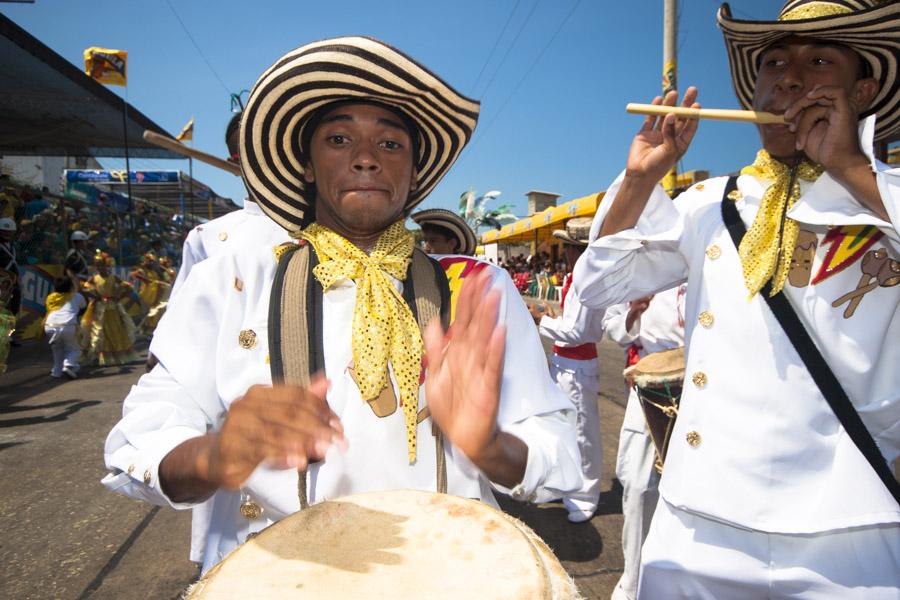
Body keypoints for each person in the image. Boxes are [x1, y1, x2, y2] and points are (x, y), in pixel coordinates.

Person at [103, 37, 581, 575]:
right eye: (338, 138)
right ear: (306, 165)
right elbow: (141, 439)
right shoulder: (234, 279)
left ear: (416, 173)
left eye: (391, 145)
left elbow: (558, 452)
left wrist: (489, 444)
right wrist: (217, 454)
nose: (366, 158)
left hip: (448, 575)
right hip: (278, 575)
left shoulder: (478, 288)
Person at [574, 1, 900, 596]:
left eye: (820, 59)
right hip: (696, 524)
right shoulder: (713, 202)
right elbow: (599, 286)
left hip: (853, 530)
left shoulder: (888, 200)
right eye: (775, 63)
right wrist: (643, 178)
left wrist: (851, 169)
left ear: (866, 88)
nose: (790, 79)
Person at [168, 111, 289, 569]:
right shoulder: (211, 238)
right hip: (236, 408)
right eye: (252, 145)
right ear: (236, 160)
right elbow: (186, 334)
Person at [602, 287, 685, 600]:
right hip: (650, 383)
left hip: (705, 383)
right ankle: (633, 584)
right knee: (638, 488)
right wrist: (633, 313)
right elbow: (611, 324)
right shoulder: (641, 262)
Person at [528, 217, 606, 523]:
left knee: (582, 433)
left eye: (568, 248)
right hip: (568, 363)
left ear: (577, 250)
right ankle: (569, 484)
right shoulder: (580, 278)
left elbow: (577, 332)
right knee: (565, 428)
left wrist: (540, 319)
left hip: (576, 366)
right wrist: (552, 317)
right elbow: (575, 326)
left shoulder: (587, 280)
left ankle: (585, 496)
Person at [82, 251, 137, 366]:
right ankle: (102, 357)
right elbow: (85, 289)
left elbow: (128, 287)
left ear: (107, 265)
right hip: (100, 309)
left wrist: (118, 295)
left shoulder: (113, 277)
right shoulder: (94, 278)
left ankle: (118, 355)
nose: (99, 267)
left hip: (113, 308)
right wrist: (94, 296)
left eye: (102, 264)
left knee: (116, 330)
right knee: (101, 331)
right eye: (97, 265)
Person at [44, 276, 87, 379]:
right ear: (70, 286)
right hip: (68, 325)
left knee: (57, 349)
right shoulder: (77, 296)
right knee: (75, 348)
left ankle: (56, 372)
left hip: (50, 326)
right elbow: (84, 307)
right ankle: (68, 365)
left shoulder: (50, 297)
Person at [410, 208, 477, 256]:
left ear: (452, 243)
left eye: (433, 241)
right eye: (425, 241)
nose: (426, 247)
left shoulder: (467, 274)